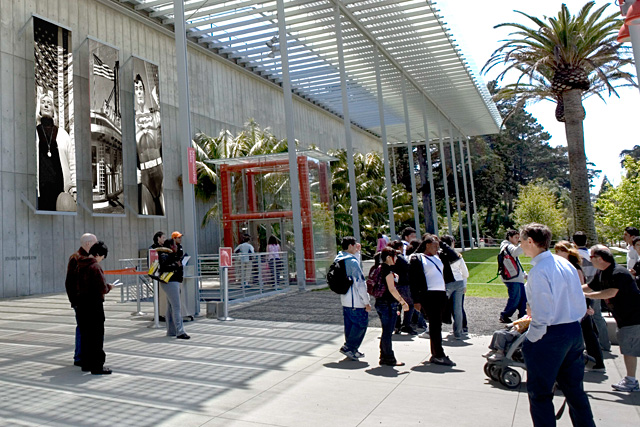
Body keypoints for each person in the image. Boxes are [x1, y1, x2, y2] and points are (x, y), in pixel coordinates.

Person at [519, 223, 594, 427]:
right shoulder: (565, 263)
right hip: (573, 329)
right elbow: (578, 299)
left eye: (522, 240)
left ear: (531, 241)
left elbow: (542, 312)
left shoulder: (540, 270)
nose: (521, 244)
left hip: (550, 334)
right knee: (575, 391)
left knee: (540, 394)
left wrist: (531, 339)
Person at [583, 245, 640, 392]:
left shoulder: (618, 272)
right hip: (624, 318)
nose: (589, 260)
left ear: (600, 258)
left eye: (591, 257)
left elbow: (610, 293)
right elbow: (589, 287)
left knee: (629, 349)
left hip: (633, 318)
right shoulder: (602, 273)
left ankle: (631, 381)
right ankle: (630, 379)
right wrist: (571, 289)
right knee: (628, 348)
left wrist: (586, 296)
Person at [554, 240, 605, 372]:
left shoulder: (574, 267)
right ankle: (596, 362)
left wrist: (586, 305)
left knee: (588, 333)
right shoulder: (570, 265)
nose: (557, 254)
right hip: (577, 304)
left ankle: (596, 362)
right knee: (588, 332)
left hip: (579, 304)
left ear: (566, 252)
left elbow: (580, 289)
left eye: (559, 251)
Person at [409, 234, 457, 366]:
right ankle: (438, 354)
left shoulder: (439, 256)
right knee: (435, 325)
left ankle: (436, 353)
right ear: (427, 245)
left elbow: (454, 257)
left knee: (437, 325)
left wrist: (442, 244)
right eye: (434, 245)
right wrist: (416, 300)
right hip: (429, 295)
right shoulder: (418, 258)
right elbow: (413, 281)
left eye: (438, 245)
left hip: (441, 294)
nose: (437, 248)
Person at [76, 241, 113, 375]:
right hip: (94, 305)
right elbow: (101, 287)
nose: (101, 260)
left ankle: (86, 363)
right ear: (97, 254)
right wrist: (109, 287)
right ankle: (97, 365)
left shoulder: (80, 265)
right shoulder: (95, 267)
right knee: (97, 336)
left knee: (85, 336)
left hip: (82, 305)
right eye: (102, 257)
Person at [36, 92, 76, 211]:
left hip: (61, 193)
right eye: (43, 103)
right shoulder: (32, 133)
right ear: (39, 108)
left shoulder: (63, 134)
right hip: (40, 193)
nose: (46, 105)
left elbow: (72, 163)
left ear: (54, 110)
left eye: (49, 103)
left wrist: (74, 188)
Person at [573, 230, 610, 352]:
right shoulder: (592, 254)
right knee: (597, 316)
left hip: (582, 289)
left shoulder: (574, 256)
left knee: (581, 318)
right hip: (596, 288)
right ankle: (605, 343)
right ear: (586, 241)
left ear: (574, 242)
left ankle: (582, 345)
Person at [65, 233, 97, 367]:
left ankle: (82, 355)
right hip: (82, 301)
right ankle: (80, 356)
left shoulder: (79, 258)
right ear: (88, 244)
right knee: (83, 328)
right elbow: (70, 282)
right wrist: (75, 301)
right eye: (95, 244)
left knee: (83, 328)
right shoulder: (78, 259)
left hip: (82, 300)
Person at [374, 247, 410, 366]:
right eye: (395, 257)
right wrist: (403, 302)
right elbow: (392, 289)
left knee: (386, 331)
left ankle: (384, 356)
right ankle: (388, 357)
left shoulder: (377, 269)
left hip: (380, 302)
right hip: (388, 304)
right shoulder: (387, 271)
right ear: (389, 257)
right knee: (387, 332)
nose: (396, 259)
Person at [336, 236, 370, 361]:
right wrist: (366, 301)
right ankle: (349, 347)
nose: (357, 247)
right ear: (350, 246)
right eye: (355, 245)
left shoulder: (339, 258)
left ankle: (352, 349)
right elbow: (360, 283)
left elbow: (353, 263)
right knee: (361, 324)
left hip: (345, 299)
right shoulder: (352, 262)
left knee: (350, 326)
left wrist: (357, 253)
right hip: (356, 300)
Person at [134, 73, 164, 215]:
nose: (139, 91)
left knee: (165, 211)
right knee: (147, 216)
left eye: (141, 88)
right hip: (144, 174)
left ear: (144, 91)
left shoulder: (155, 115)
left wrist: (157, 100)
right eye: (136, 89)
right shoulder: (132, 119)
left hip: (159, 169)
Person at [157, 238, 190, 340]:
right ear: (171, 246)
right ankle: (180, 331)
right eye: (175, 245)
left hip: (172, 282)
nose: (176, 246)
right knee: (176, 307)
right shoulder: (165, 254)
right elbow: (164, 267)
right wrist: (176, 265)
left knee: (171, 306)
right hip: (170, 282)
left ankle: (171, 330)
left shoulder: (171, 254)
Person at [440, 235, 469, 340]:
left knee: (440, 307)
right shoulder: (457, 256)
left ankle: (436, 329)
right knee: (458, 308)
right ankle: (458, 332)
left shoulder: (440, 256)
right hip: (459, 282)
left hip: (446, 283)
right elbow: (465, 273)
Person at [388, 240, 416, 335]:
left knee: (397, 305)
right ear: (399, 247)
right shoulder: (399, 257)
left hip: (394, 283)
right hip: (403, 283)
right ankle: (406, 325)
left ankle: (397, 325)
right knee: (409, 304)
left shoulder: (388, 256)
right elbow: (408, 266)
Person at [499, 230, 527, 324]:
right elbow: (516, 252)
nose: (517, 239)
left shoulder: (506, 247)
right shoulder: (508, 246)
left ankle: (523, 315)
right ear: (509, 237)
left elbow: (516, 263)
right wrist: (524, 242)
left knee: (522, 298)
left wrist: (523, 274)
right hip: (513, 278)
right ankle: (505, 315)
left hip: (514, 277)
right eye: (516, 237)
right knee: (516, 298)